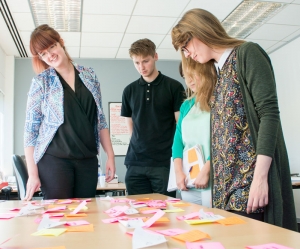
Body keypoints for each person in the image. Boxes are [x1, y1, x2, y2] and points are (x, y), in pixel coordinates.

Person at [171, 8, 298, 231]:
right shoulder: (218, 77)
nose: (188, 54)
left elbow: (269, 114)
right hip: (225, 190)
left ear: (199, 32)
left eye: (186, 46)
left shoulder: (247, 54)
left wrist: (260, 180)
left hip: (249, 186)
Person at [24, 24, 115, 200]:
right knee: (59, 217)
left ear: (61, 43)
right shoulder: (41, 82)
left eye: (51, 46)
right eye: (43, 53)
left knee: (85, 216)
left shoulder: (90, 75)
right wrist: (33, 174)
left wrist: (110, 155)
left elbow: (100, 119)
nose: (50, 55)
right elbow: (30, 130)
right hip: (54, 160)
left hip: (87, 159)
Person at [121, 38, 185, 197]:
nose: (141, 67)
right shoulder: (129, 90)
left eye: (145, 61)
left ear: (155, 56)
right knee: (137, 212)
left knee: (164, 214)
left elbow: (180, 126)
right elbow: (130, 125)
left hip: (163, 163)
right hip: (135, 162)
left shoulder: (174, 87)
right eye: (136, 63)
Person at [172, 59, 215, 207]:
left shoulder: (218, 101)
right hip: (189, 178)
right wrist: (178, 172)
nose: (189, 80)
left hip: (212, 176)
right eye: (185, 76)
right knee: (191, 226)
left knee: (214, 226)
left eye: (192, 74)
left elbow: (221, 140)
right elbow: (177, 142)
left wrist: (207, 170)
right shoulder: (186, 105)